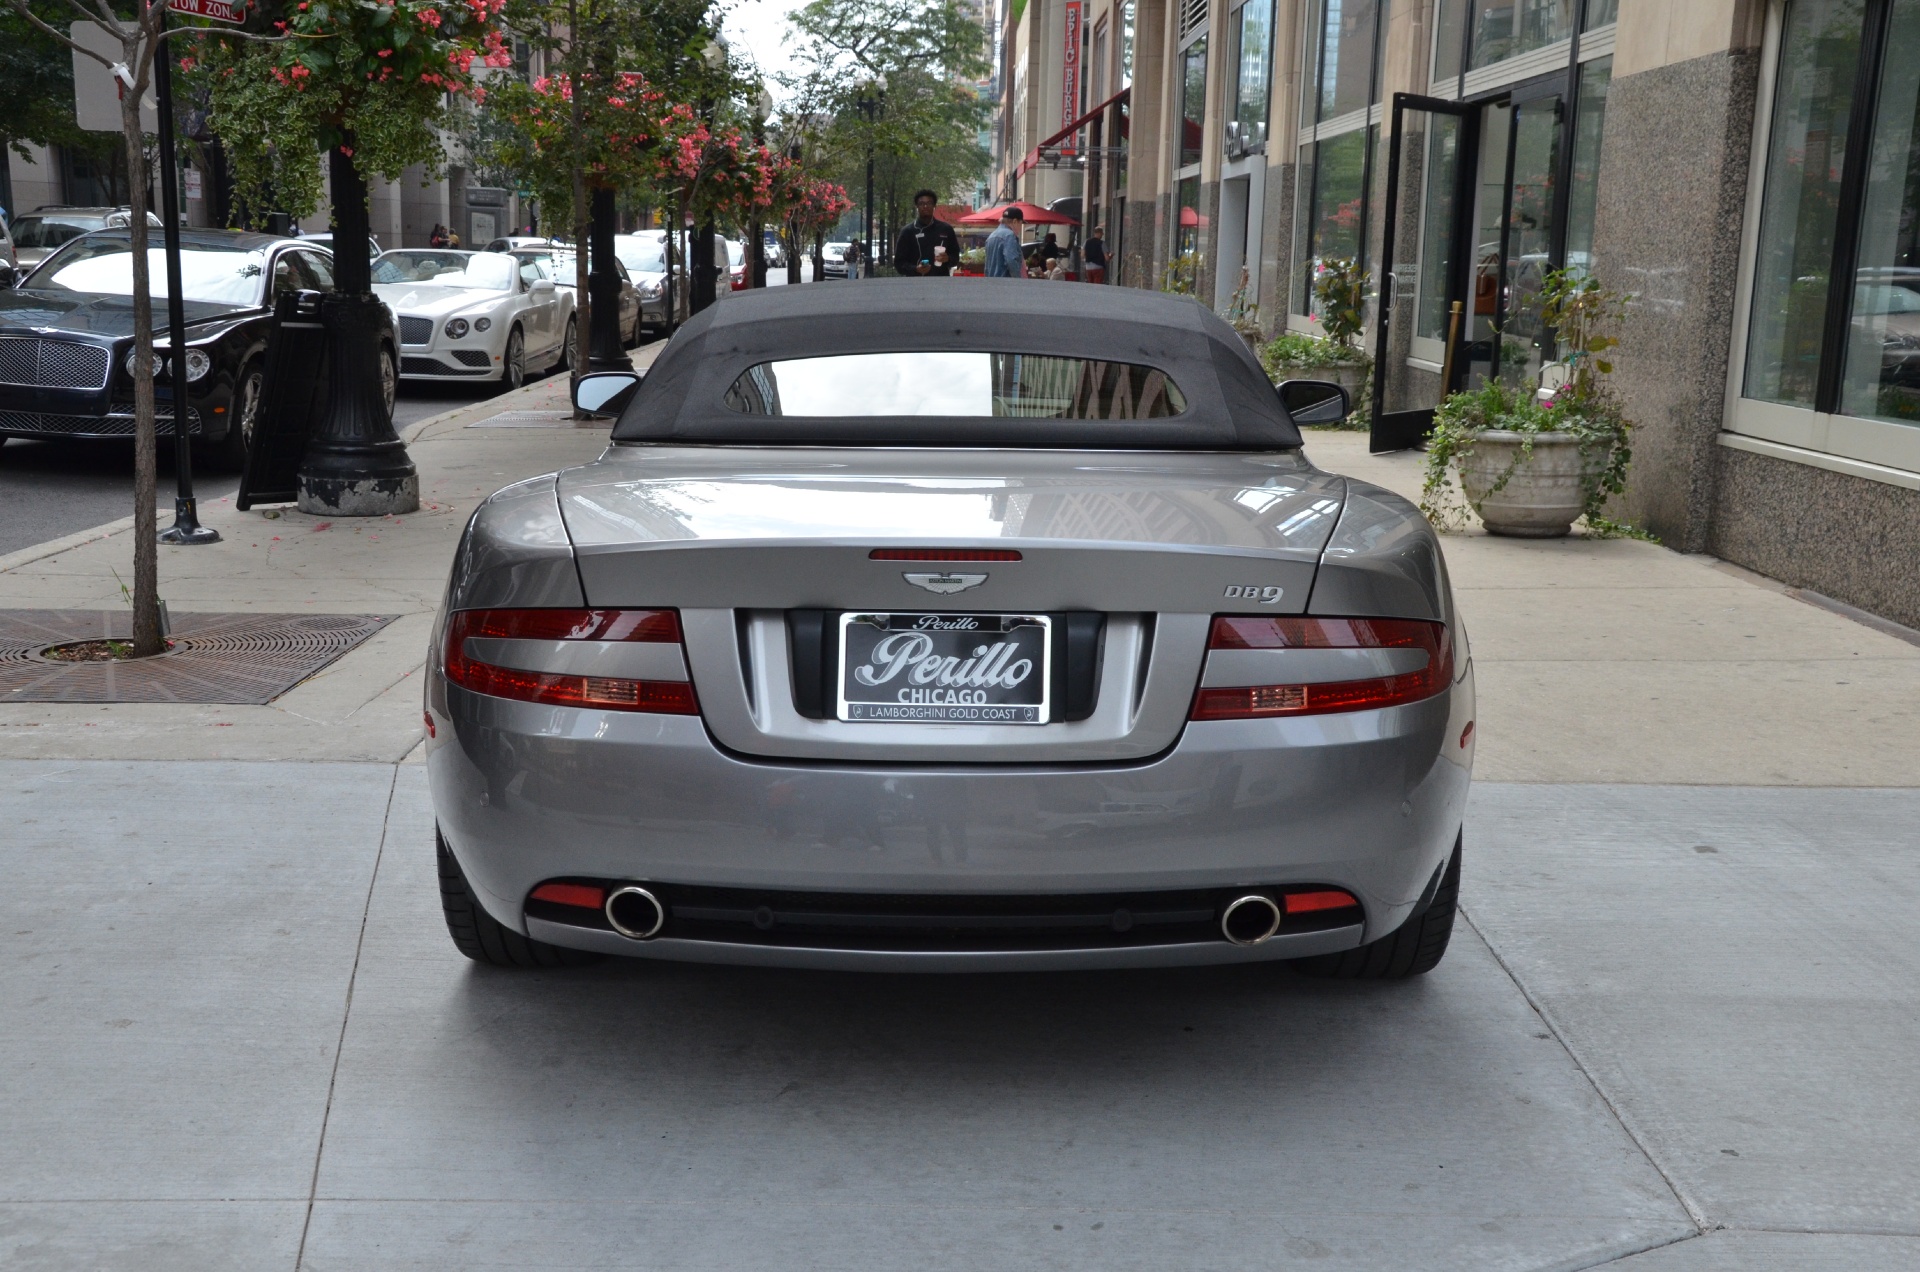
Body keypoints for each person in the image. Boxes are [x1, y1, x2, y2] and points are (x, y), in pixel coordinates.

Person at [894, 189, 962, 277]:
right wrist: (915, 269)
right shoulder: (908, 231)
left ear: (934, 206)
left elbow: (956, 258)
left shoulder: (946, 229)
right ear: (917, 206)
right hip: (915, 283)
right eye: (921, 203)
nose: (925, 206)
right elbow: (899, 264)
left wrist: (948, 259)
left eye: (929, 203)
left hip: (941, 282)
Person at [983, 206, 1026, 278]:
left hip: (992, 283)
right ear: (1015, 221)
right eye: (1021, 223)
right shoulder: (1009, 235)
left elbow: (987, 266)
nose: (1020, 227)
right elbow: (1011, 261)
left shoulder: (991, 236)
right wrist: (1018, 280)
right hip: (1006, 284)